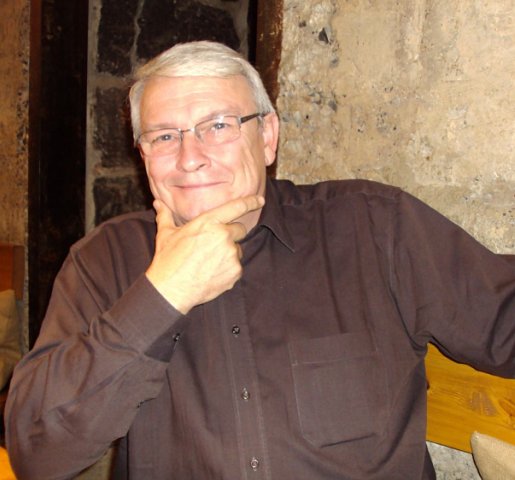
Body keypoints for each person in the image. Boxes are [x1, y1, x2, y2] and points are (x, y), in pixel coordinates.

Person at [5, 41, 515, 480]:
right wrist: (163, 295)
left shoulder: (375, 228)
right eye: (164, 136)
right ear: (143, 155)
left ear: (268, 136)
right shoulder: (103, 262)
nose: (189, 157)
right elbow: (36, 453)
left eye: (218, 125)